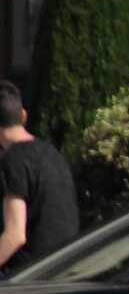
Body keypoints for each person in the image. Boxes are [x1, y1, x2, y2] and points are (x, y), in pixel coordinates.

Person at [0, 83, 76, 277]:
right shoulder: (52, 153)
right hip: (63, 271)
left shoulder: (12, 161)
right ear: (23, 115)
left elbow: (15, 235)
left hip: (28, 277)